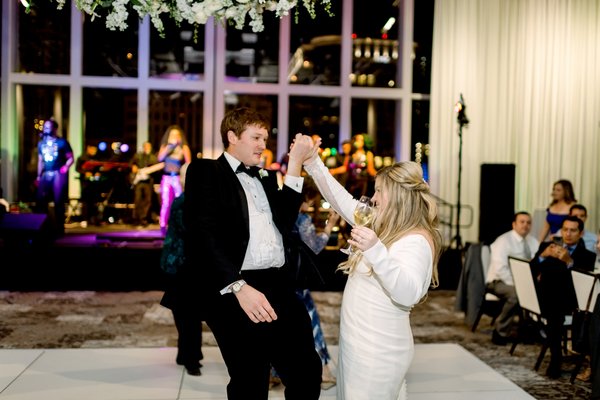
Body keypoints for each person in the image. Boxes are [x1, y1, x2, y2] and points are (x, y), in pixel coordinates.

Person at [179, 108, 322, 400]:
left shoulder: (266, 176)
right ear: (232, 136)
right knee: (250, 379)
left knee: (306, 371)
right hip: (236, 287)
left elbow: (283, 221)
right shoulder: (206, 171)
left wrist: (295, 162)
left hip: (280, 287)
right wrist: (239, 287)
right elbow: (201, 235)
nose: (262, 144)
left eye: (265, 138)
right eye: (256, 137)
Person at [303, 136, 442, 400]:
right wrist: (313, 162)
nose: (374, 198)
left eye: (379, 191)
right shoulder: (379, 223)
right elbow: (340, 199)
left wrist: (375, 250)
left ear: (399, 195)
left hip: (380, 349)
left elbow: (408, 293)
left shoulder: (415, 239)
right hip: (357, 341)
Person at [271, 177, 340, 390]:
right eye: (310, 201)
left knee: (277, 328)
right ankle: (324, 371)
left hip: (276, 279)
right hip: (297, 283)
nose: (309, 206)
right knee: (312, 324)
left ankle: (273, 372)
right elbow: (315, 247)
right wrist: (329, 227)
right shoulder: (302, 220)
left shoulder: (277, 213)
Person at [530, 215, 596, 379]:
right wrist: (542, 256)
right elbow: (529, 271)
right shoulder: (548, 246)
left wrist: (569, 262)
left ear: (580, 233)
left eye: (573, 230)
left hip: (572, 300)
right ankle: (556, 359)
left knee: (556, 311)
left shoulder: (587, 255)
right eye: (565, 229)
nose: (568, 234)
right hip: (548, 299)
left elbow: (584, 282)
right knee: (554, 309)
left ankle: (564, 358)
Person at [158, 163, 203, 376]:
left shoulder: (188, 200)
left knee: (187, 313)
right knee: (188, 314)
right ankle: (190, 357)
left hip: (185, 264)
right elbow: (189, 230)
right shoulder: (184, 202)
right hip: (183, 264)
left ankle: (187, 354)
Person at [485, 211, 540, 345]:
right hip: (499, 281)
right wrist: (521, 285)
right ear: (514, 224)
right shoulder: (503, 241)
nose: (525, 225)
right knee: (517, 294)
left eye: (528, 222)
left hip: (525, 282)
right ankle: (500, 331)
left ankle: (533, 330)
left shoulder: (533, 241)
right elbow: (500, 269)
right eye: (522, 222)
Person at [35, 118, 74, 236]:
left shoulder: (62, 142)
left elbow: (71, 158)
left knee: (58, 201)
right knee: (40, 200)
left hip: (58, 173)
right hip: (46, 173)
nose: (46, 128)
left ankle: (59, 229)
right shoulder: (41, 143)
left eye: (48, 126)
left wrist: (65, 167)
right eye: (45, 126)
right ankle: (43, 228)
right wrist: (38, 176)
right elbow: (40, 161)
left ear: (55, 128)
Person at [157, 126, 192, 235]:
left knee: (179, 202)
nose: (174, 137)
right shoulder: (166, 146)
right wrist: (170, 146)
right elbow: (160, 158)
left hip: (177, 178)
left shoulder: (183, 147)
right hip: (166, 178)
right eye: (172, 135)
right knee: (166, 202)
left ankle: (179, 224)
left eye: (177, 135)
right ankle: (163, 225)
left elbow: (188, 163)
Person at [130, 141, 160, 227]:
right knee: (137, 199)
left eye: (148, 146)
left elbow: (157, 168)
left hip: (148, 181)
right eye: (145, 146)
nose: (147, 148)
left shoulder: (153, 157)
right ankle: (136, 218)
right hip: (139, 181)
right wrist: (133, 167)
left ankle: (144, 218)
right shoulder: (138, 155)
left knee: (148, 201)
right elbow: (132, 164)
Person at [75, 144, 101, 226]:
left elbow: (98, 168)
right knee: (85, 201)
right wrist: (85, 173)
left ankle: (93, 219)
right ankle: (84, 219)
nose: (95, 152)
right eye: (93, 149)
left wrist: (97, 173)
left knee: (94, 201)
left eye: (96, 150)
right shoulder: (82, 158)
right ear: (88, 148)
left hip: (94, 183)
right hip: (85, 183)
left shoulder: (96, 159)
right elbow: (77, 169)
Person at [345, 133, 377, 198]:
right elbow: (345, 168)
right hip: (351, 183)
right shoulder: (351, 154)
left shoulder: (368, 154)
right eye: (356, 140)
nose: (358, 142)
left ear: (364, 142)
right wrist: (333, 171)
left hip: (363, 183)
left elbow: (370, 170)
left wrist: (381, 175)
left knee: (361, 203)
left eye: (360, 140)